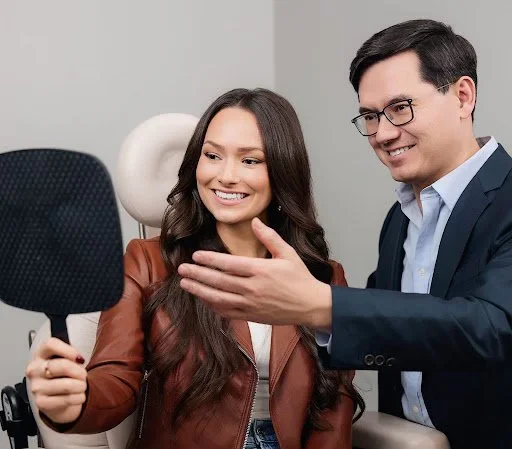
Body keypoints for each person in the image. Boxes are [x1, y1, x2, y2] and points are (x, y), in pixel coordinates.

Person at [177, 20, 512, 449]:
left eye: (400, 108)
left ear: (463, 96)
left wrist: (323, 306)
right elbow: (394, 330)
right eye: (371, 116)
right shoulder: (401, 219)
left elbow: (493, 327)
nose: (383, 133)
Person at [26, 88, 363, 449]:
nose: (226, 176)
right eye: (212, 155)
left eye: (250, 161)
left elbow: (333, 404)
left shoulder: (323, 277)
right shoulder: (146, 262)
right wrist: (76, 401)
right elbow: (115, 378)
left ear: (282, 170)